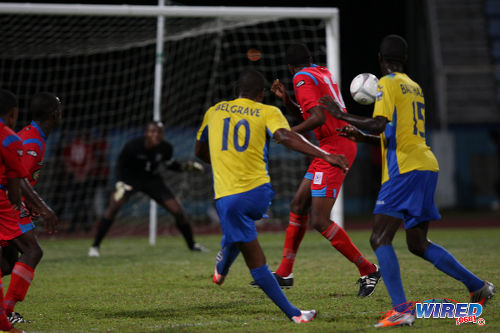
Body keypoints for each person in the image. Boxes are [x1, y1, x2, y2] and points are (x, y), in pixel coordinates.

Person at [320, 34, 496, 328]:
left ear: (380, 59)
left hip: (404, 170)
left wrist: (341, 115)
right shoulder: (414, 87)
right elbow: (391, 133)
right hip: (426, 165)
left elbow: (379, 124)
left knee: (379, 238)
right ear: (405, 60)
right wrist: (361, 137)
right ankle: (478, 286)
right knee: (417, 242)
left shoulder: (386, 83)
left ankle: (401, 309)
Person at [195, 68, 350, 323]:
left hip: (229, 198)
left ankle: (291, 311)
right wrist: (324, 154)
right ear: (261, 93)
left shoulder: (214, 111)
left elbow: (199, 150)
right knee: (246, 240)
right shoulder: (267, 111)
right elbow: (285, 136)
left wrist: (223, 162)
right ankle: (291, 311)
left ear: (237, 91)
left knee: (251, 253)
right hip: (260, 195)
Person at [260, 43, 380, 296]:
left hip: (335, 147)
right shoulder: (321, 72)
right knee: (298, 204)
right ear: (310, 59)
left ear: (291, 67)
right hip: (333, 144)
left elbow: (318, 119)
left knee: (320, 220)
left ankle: (368, 270)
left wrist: (287, 134)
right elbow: (314, 113)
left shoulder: (301, 78)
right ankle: (284, 272)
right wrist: (288, 101)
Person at [89, 121, 208, 257]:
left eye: (159, 132)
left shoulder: (165, 148)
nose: (155, 135)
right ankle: (95, 246)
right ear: (146, 133)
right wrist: (120, 183)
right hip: (130, 180)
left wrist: (186, 167)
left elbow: (170, 165)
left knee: (177, 211)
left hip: (152, 180)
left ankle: (192, 245)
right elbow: (120, 167)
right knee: (114, 205)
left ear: (162, 134)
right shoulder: (132, 146)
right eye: (152, 132)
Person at [0, 92, 61, 324]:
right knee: (33, 250)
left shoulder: (33, 136)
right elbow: (18, 178)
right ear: (55, 114)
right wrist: (43, 207)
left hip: (9, 199)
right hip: (6, 200)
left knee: (6, 263)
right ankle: (7, 312)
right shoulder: (32, 141)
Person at [0, 89, 33, 333]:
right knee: (31, 249)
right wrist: (20, 206)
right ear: (13, 114)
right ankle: (6, 316)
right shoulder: (11, 139)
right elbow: (15, 184)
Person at [62, 132, 95, 232]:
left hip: (84, 178)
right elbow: (66, 162)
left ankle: (86, 225)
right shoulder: (68, 148)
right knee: (73, 202)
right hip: (73, 177)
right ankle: (73, 225)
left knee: (84, 202)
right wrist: (75, 173)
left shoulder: (87, 147)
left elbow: (89, 161)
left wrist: (83, 173)